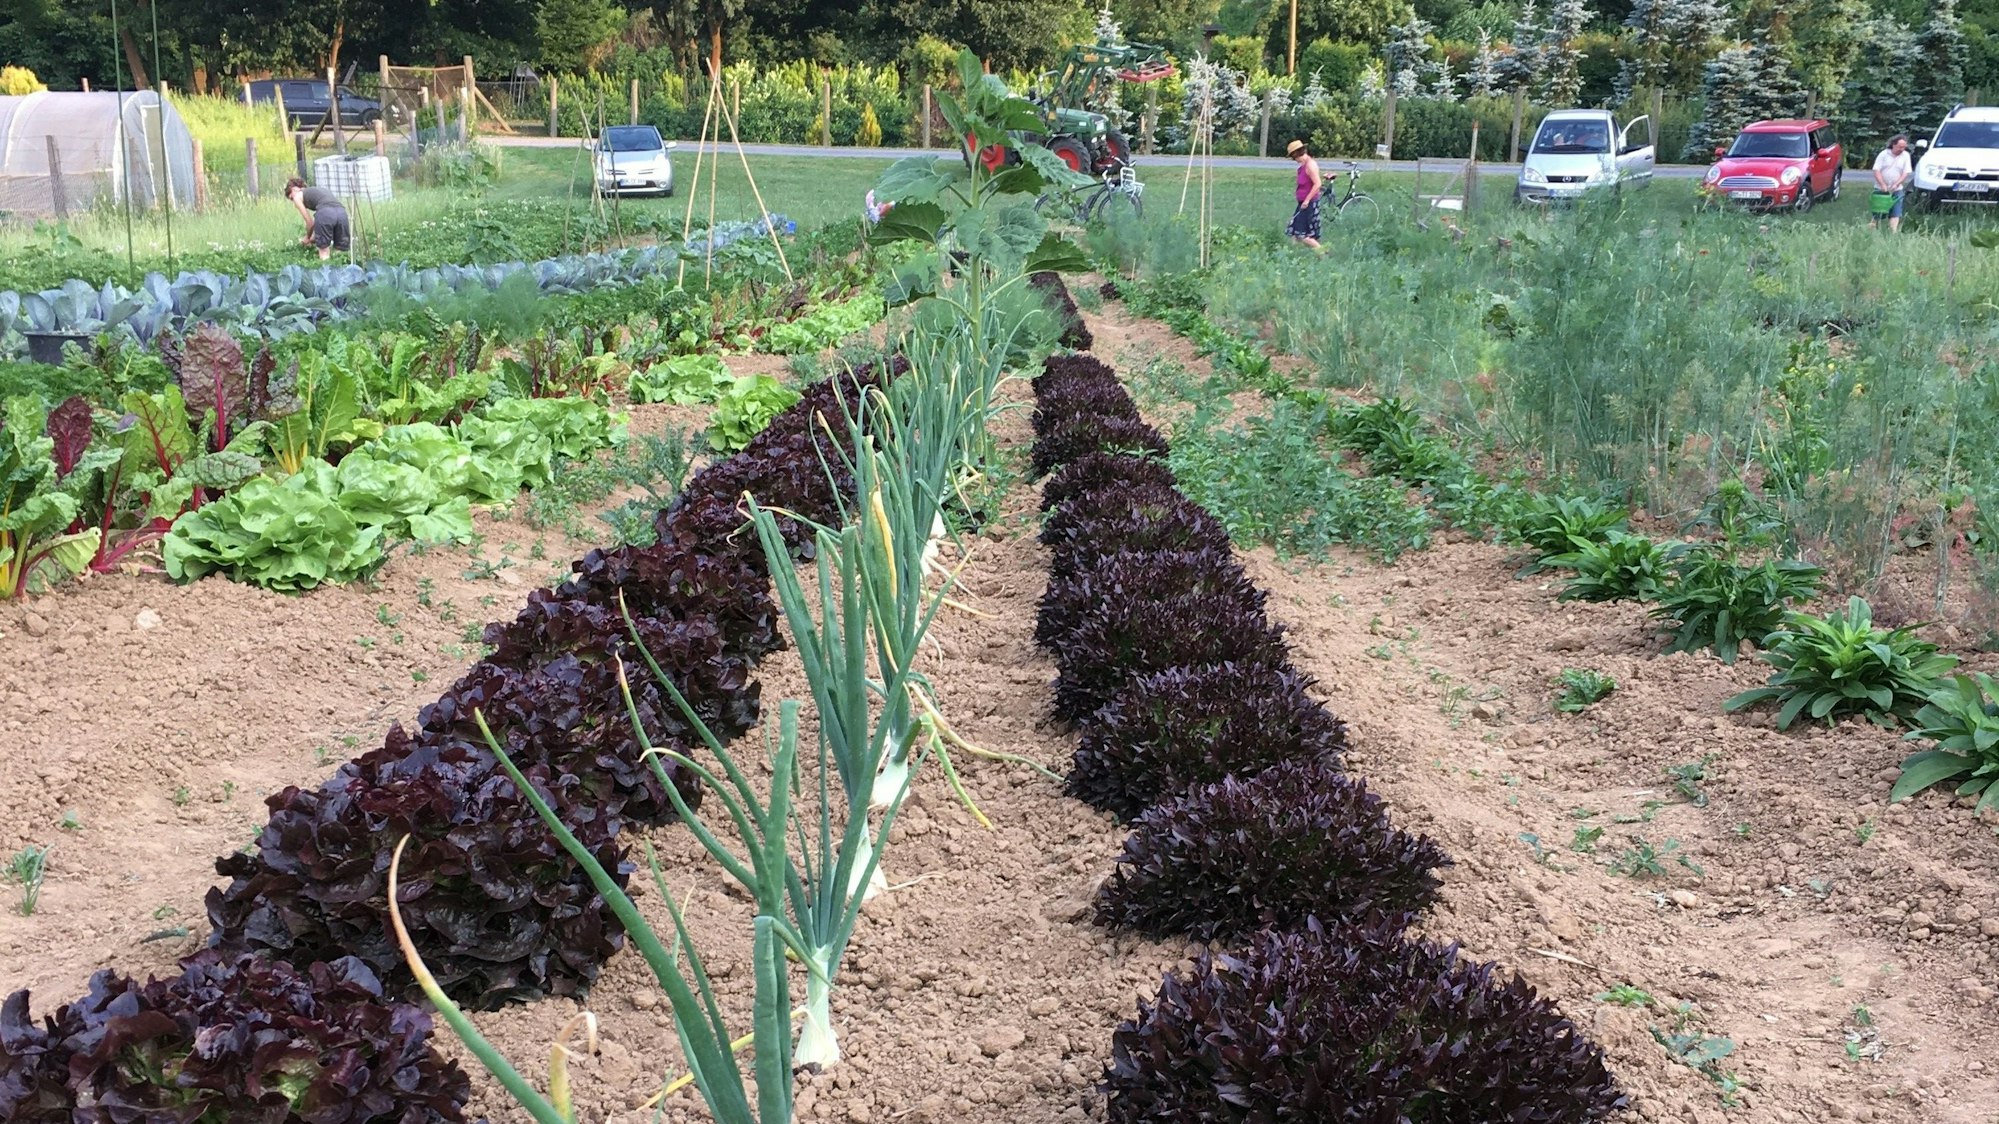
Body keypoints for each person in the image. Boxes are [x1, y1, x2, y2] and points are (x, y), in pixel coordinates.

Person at [284, 176, 350, 260]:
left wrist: (307, 238)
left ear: (294, 189)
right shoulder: (318, 190)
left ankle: (325, 271)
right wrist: (313, 237)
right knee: (340, 254)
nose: (293, 200)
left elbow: (310, 223)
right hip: (342, 213)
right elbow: (318, 221)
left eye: (291, 198)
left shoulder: (297, 196)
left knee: (324, 252)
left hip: (325, 214)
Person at [1285, 140, 1322, 249]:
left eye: (1293, 156)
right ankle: (1294, 256)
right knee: (1294, 231)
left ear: (1298, 153)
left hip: (1309, 204)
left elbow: (1318, 184)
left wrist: (1307, 200)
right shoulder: (1303, 165)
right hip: (1303, 203)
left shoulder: (1310, 165)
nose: (1294, 159)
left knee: (1303, 235)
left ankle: (1323, 254)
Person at [1871, 134, 1912, 233]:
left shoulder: (1906, 156)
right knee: (1878, 213)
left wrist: (1897, 184)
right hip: (1881, 189)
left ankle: (1893, 233)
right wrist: (1882, 185)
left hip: (1897, 189)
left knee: (1896, 212)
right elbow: (1876, 170)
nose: (1902, 149)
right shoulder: (1884, 154)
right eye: (1899, 147)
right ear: (1893, 144)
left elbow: (1906, 172)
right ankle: (1872, 230)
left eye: (1904, 147)